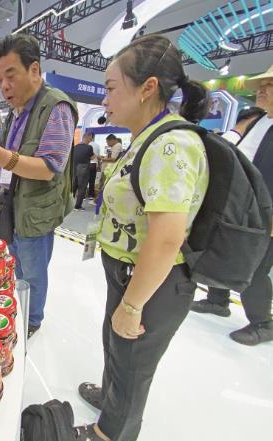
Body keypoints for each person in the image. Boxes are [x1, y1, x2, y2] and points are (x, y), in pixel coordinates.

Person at [74, 35, 209, 441]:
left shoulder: (170, 144)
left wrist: (133, 304)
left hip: (153, 283)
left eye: (111, 88)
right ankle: (110, 397)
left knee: (132, 362)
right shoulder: (147, 137)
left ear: (147, 88)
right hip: (128, 272)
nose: (105, 99)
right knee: (116, 344)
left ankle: (112, 432)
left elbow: (167, 238)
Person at [0, 34, 78, 338]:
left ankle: (32, 320)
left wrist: (1, 157)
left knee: (33, 272)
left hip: (36, 210)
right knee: (15, 265)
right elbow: (12, 161)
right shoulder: (15, 113)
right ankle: (21, 309)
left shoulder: (56, 107)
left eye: (11, 75)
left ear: (34, 70)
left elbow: (49, 168)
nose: (4, 85)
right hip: (11, 203)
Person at [190, 66, 273, 346]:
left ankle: (262, 323)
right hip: (240, 202)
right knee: (223, 246)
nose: (261, 89)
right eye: (261, 84)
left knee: (256, 266)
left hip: (265, 210)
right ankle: (217, 299)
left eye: (269, 85)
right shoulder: (258, 120)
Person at [73, 137, 94, 211]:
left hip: (74, 167)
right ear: (88, 139)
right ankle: (77, 206)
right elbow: (92, 157)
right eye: (90, 139)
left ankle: (69, 204)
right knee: (82, 188)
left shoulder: (75, 147)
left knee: (73, 187)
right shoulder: (89, 147)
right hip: (83, 168)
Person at [82, 132, 101, 200]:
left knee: (84, 180)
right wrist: (99, 165)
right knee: (92, 181)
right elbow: (98, 157)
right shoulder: (97, 145)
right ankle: (91, 195)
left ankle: (83, 195)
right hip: (94, 164)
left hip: (86, 164)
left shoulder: (86, 145)